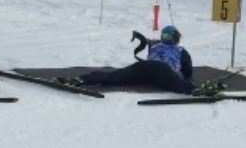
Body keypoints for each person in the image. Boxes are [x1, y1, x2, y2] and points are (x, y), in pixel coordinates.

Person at [58, 25, 223, 96]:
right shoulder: (181, 51)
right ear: (176, 38)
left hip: (143, 67)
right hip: (163, 71)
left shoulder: (155, 46)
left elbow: (148, 47)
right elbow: (188, 72)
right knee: (179, 85)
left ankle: (81, 79)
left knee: (113, 77)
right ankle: (196, 91)